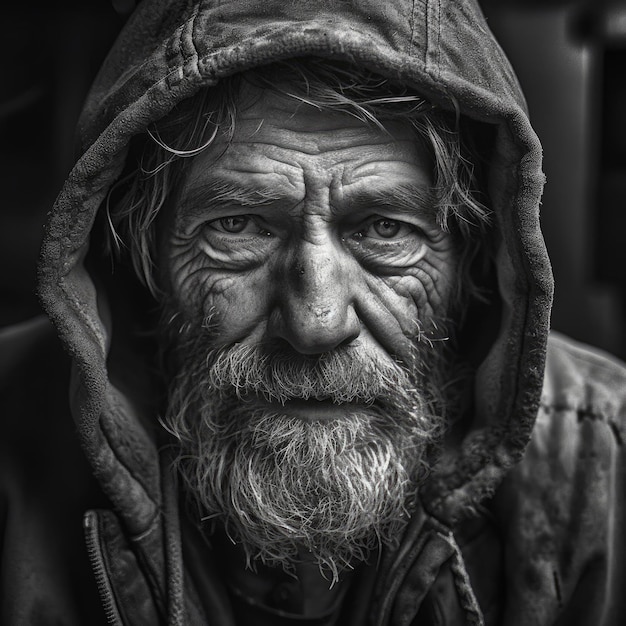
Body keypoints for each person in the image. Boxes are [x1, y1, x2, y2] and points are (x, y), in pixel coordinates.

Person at [1, 0, 625, 624]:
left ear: (476, 264)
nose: (315, 323)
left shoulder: (604, 466)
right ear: (141, 259)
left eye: (385, 229)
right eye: (239, 227)